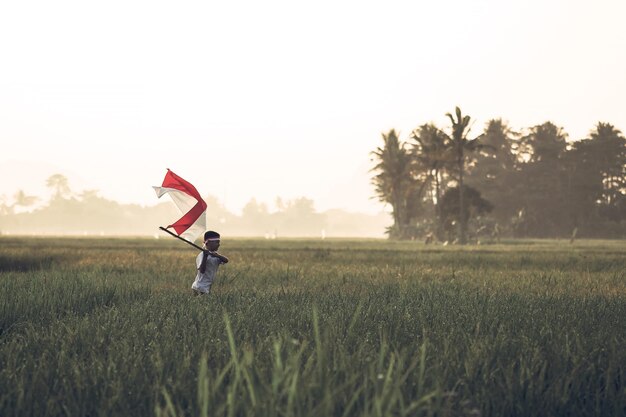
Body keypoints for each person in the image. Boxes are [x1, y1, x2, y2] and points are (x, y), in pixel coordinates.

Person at [191, 230, 229, 296]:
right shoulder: (202, 255)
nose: (219, 244)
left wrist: (217, 255)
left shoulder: (215, 256)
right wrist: (205, 257)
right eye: (217, 242)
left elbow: (226, 260)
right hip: (199, 287)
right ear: (208, 243)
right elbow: (202, 270)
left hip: (206, 286)